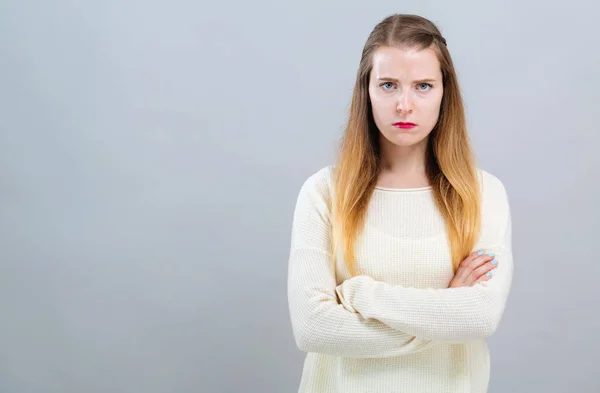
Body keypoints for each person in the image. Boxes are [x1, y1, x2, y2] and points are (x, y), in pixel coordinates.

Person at [286, 13, 514, 393]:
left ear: (445, 92)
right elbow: (313, 328)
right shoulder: (324, 192)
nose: (404, 105)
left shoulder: (483, 194)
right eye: (389, 85)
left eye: (423, 86)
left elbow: (478, 316)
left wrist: (359, 294)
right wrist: (443, 312)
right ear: (367, 91)